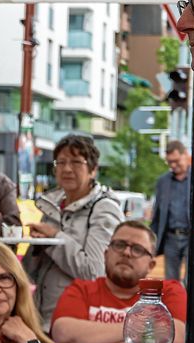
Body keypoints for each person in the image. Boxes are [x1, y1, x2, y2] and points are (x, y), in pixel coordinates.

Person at [51, 221, 187, 343]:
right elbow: (64, 334)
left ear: (151, 264)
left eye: (138, 249)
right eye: (120, 245)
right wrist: (144, 330)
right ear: (106, 253)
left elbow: (173, 337)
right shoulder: (81, 289)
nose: (127, 253)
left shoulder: (168, 291)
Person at [23, 134, 124, 326]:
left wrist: (54, 238)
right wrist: (37, 247)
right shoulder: (51, 206)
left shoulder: (104, 208)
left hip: (79, 320)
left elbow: (94, 273)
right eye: (61, 162)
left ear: (93, 170)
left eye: (76, 162)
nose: (67, 169)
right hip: (43, 317)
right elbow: (30, 272)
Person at [151, 140, 191, 282]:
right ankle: (172, 304)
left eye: (176, 161)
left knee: (191, 280)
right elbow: (157, 214)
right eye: (169, 162)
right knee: (170, 281)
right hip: (171, 238)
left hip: (192, 237)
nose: (173, 165)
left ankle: (187, 304)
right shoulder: (163, 181)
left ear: (185, 154)